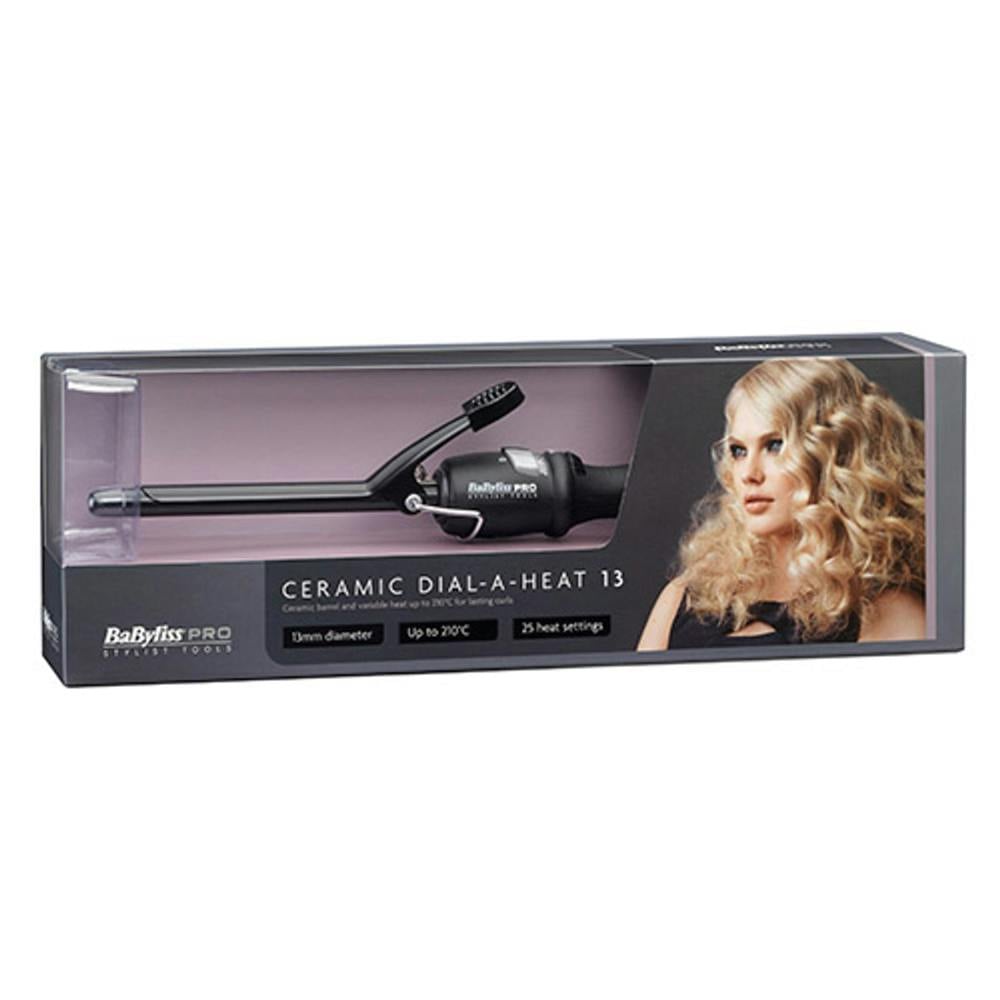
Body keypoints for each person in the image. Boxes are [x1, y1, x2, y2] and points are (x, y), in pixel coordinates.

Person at [637, 357, 926, 650]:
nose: (749, 474)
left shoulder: (890, 616)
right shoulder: (685, 596)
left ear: (838, 456)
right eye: (738, 451)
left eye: (774, 445)